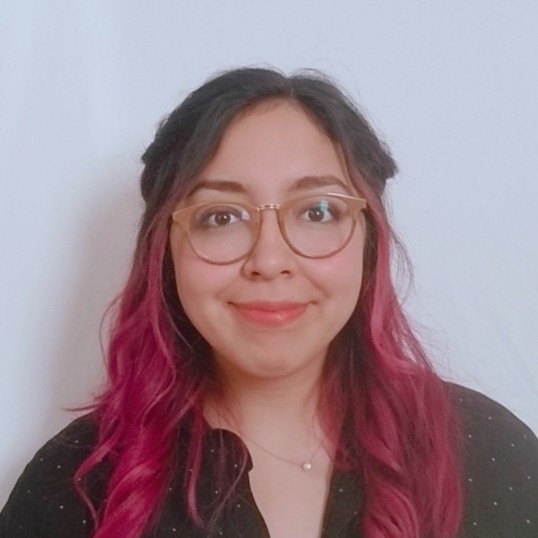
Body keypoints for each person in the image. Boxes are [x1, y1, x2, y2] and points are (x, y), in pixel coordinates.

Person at [1, 67, 537, 538]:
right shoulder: (69, 487)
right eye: (221, 217)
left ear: (369, 243)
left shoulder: (492, 454)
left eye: (318, 211)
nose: (270, 260)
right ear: (164, 252)